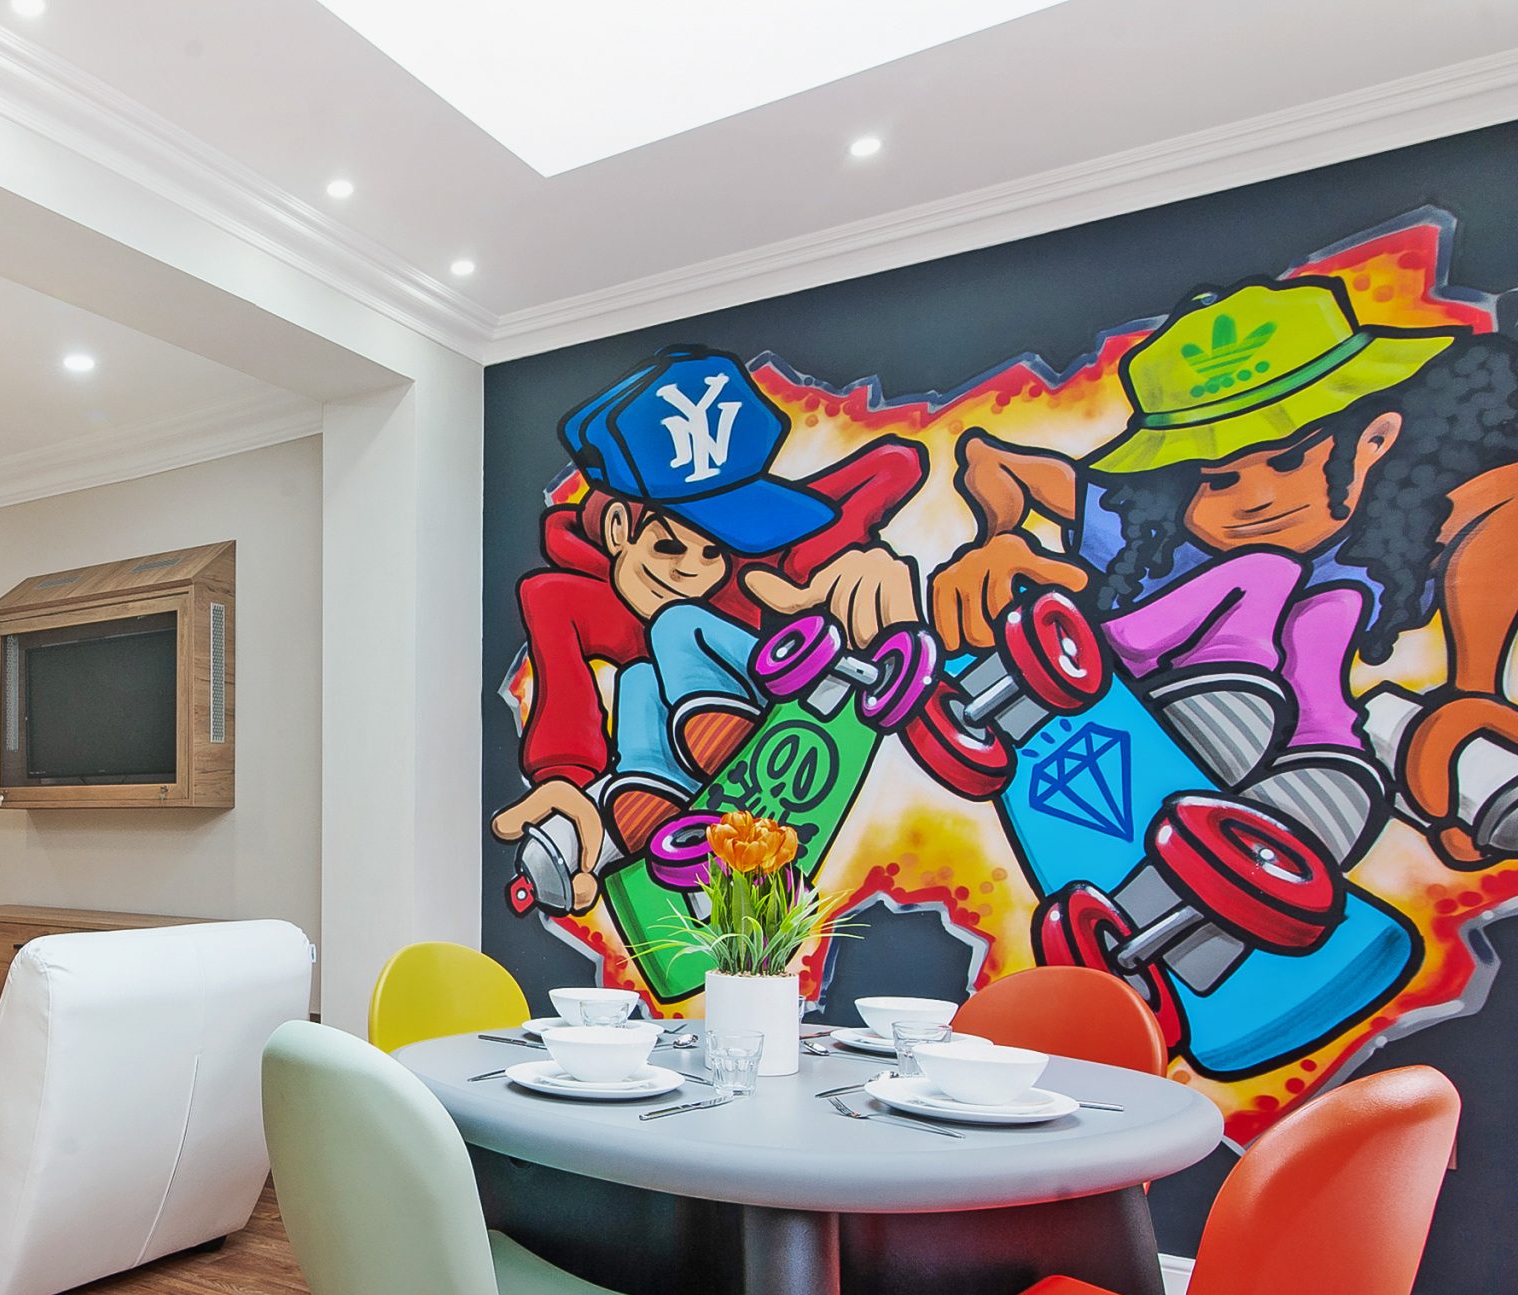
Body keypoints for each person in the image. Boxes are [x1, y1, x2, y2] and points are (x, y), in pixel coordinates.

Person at [928, 276, 1518, 865]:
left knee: (1331, 617)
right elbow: (991, 460)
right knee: (1265, 572)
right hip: (1157, 674)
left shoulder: (1395, 537)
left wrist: (1473, 693)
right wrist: (997, 539)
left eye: (1290, 460)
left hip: (1285, 724)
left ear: (1374, 440)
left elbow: (1502, 507)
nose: (1256, 501)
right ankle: (1150, 656)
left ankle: (1322, 777)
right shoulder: (1144, 529)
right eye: (1219, 480)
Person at [492, 349, 925, 912]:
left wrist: (828, 583)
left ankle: (720, 712)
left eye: (712, 551)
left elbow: (892, 467)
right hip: (678, 751)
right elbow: (564, 692)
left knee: (675, 624)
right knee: (638, 681)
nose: (689, 571)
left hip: (751, 685)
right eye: (667, 544)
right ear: (620, 527)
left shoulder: (750, 574)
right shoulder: (563, 597)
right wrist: (565, 781)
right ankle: (646, 791)